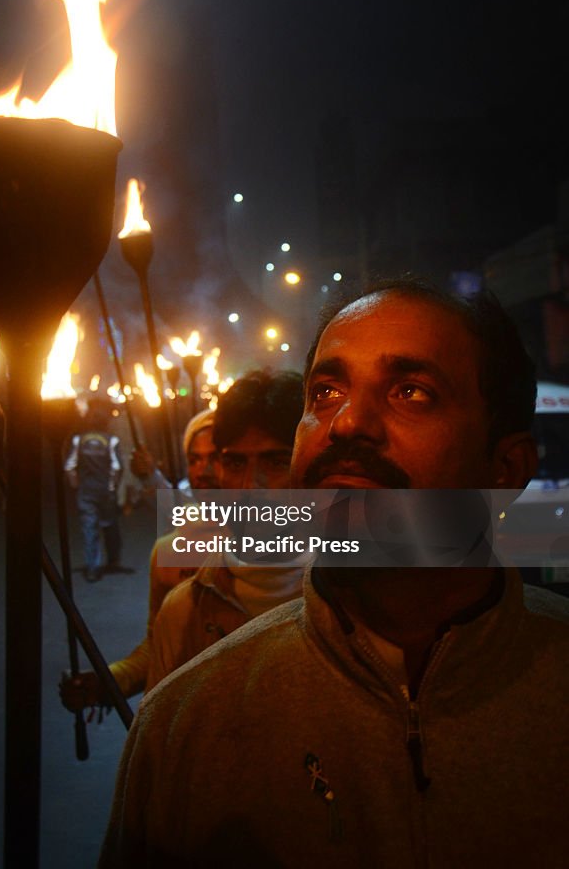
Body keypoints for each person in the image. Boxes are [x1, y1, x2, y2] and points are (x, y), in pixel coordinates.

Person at [100, 279, 569, 869]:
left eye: (411, 391)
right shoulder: (185, 725)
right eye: (325, 392)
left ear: (506, 468)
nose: (347, 423)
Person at [146, 369, 306, 690]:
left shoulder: (354, 601)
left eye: (275, 462)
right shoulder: (184, 611)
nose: (249, 487)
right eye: (235, 464)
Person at [59, 408, 220, 707]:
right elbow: (158, 648)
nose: (204, 471)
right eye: (195, 460)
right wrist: (108, 681)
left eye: (218, 458)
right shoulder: (171, 551)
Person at [64, 398, 128, 582]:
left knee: (89, 529)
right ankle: (113, 560)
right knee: (109, 525)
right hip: (105, 492)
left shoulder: (79, 440)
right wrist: (112, 487)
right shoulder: (111, 441)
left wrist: (76, 485)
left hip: (86, 492)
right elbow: (117, 467)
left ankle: (93, 568)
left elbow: (69, 467)